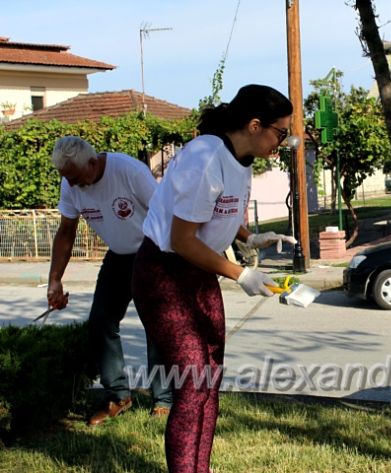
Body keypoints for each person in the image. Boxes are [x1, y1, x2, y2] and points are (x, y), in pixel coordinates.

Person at [132, 84, 293, 473]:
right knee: (191, 385)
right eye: (281, 133)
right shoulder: (205, 157)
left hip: (200, 273)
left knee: (209, 382)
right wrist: (241, 274)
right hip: (164, 275)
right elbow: (182, 240)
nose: (283, 142)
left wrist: (248, 236)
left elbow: (220, 211)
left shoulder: (243, 160)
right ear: (255, 125)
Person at [47, 136, 172, 426]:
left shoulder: (129, 171)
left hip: (152, 254)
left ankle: (164, 400)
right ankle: (118, 395)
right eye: (67, 179)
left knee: (156, 328)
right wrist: (55, 280)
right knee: (100, 322)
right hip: (118, 257)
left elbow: (165, 216)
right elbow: (66, 232)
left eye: (76, 178)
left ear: (92, 163)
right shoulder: (70, 183)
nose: (72, 185)